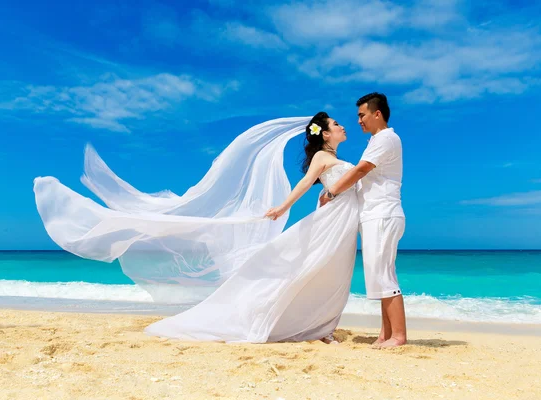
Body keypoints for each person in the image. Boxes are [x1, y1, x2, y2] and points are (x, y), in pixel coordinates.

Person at [33, 112, 362, 343]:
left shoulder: (332, 157)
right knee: (316, 268)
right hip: (333, 220)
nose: (343, 126)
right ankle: (314, 325)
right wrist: (283, 207)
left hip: (342, 218)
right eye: (336, 124)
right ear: (325, 134)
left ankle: (321, 325)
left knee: (333, 270)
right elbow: (306, 183)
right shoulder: (322, 155)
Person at [320, 93, 407, 348]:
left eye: (362, 115)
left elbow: (360, 170)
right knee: (380, 275)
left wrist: (332, 191)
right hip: (375, 214)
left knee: (384, 275)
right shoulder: (377, 140)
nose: (358, 120)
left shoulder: (386, 139)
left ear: (376, 114)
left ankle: (399, 336)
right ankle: (385, 334)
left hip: (383, 212)